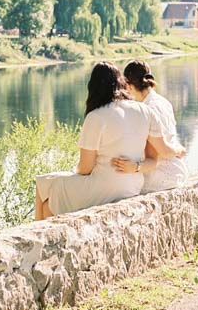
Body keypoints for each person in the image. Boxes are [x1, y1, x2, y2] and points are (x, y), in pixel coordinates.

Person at [34, 61, 181, 219]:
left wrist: (73, 173)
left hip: (103, 188)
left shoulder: (96, 117)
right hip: (131, 187)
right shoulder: (146, 111)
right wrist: (135, 168)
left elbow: (85, 168)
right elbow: (154, 161)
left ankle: (36, 238)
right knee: (51, 194)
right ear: (121, 84)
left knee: (45, 187)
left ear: (93, 87)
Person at [112, 60, 188, 192]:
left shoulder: (146, 110)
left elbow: (162, 152)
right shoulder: (163, 102)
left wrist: (179, 150)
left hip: (159, 177)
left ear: (129, 86)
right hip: (177, 171)